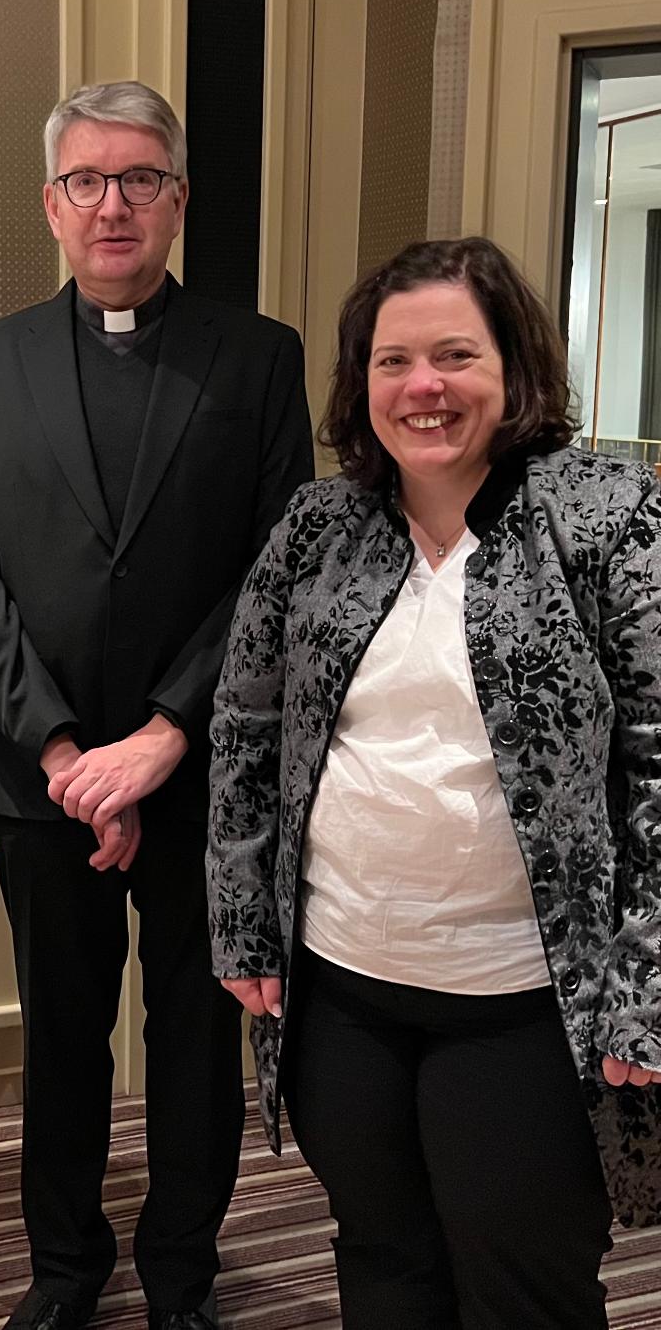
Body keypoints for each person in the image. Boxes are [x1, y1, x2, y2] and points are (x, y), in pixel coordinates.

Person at [207, 235, 661, 1329]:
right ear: (360, 382)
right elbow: (245, 730)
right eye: (392, 360)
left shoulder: (606, 514)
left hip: (524, 1008)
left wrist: (646, 984)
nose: (423, 387)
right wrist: (241, 925)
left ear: (514, 370)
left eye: (455, 355)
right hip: (344, 992)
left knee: (523, 1288)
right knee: (384, 1265)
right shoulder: (319, 527)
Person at [0, 81, 312, 1330]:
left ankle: (182, 1279)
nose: (113, 204)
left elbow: (278, 569)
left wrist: (160, 737)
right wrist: (62, 746)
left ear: (179, 200)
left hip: (202, 772)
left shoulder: (258, 356)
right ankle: (63, 1267)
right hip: (42, 776)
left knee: (194, 1043)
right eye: (86, 181)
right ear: (51, 204)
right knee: (65, 1037)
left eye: (141, 179)